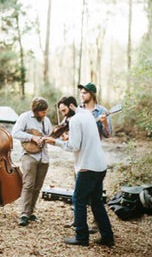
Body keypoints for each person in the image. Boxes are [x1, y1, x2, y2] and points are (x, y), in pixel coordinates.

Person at [45, 96, 115, 247]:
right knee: (96, 202)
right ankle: (107, 237)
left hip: (87, 167)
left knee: (78, 200)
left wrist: (55, 142)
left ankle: (82, 237)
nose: (63, 114)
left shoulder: (75, 120)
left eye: (64, 110)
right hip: (100, 165)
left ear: (71, 105)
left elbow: (74, 147)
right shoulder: (87, 114)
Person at [11, 97, 53, 227]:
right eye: (43, 112)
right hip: (29, 155)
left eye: (46, 111)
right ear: (35, 111)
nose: (45, 114)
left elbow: (51, 135)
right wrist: (32, 137)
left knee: (37, 187)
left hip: (43, 156)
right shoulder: (25, 117)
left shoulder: (46, 121)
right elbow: (15, 133)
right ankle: (24, 214)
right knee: (28, 185)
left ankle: (31, 212)